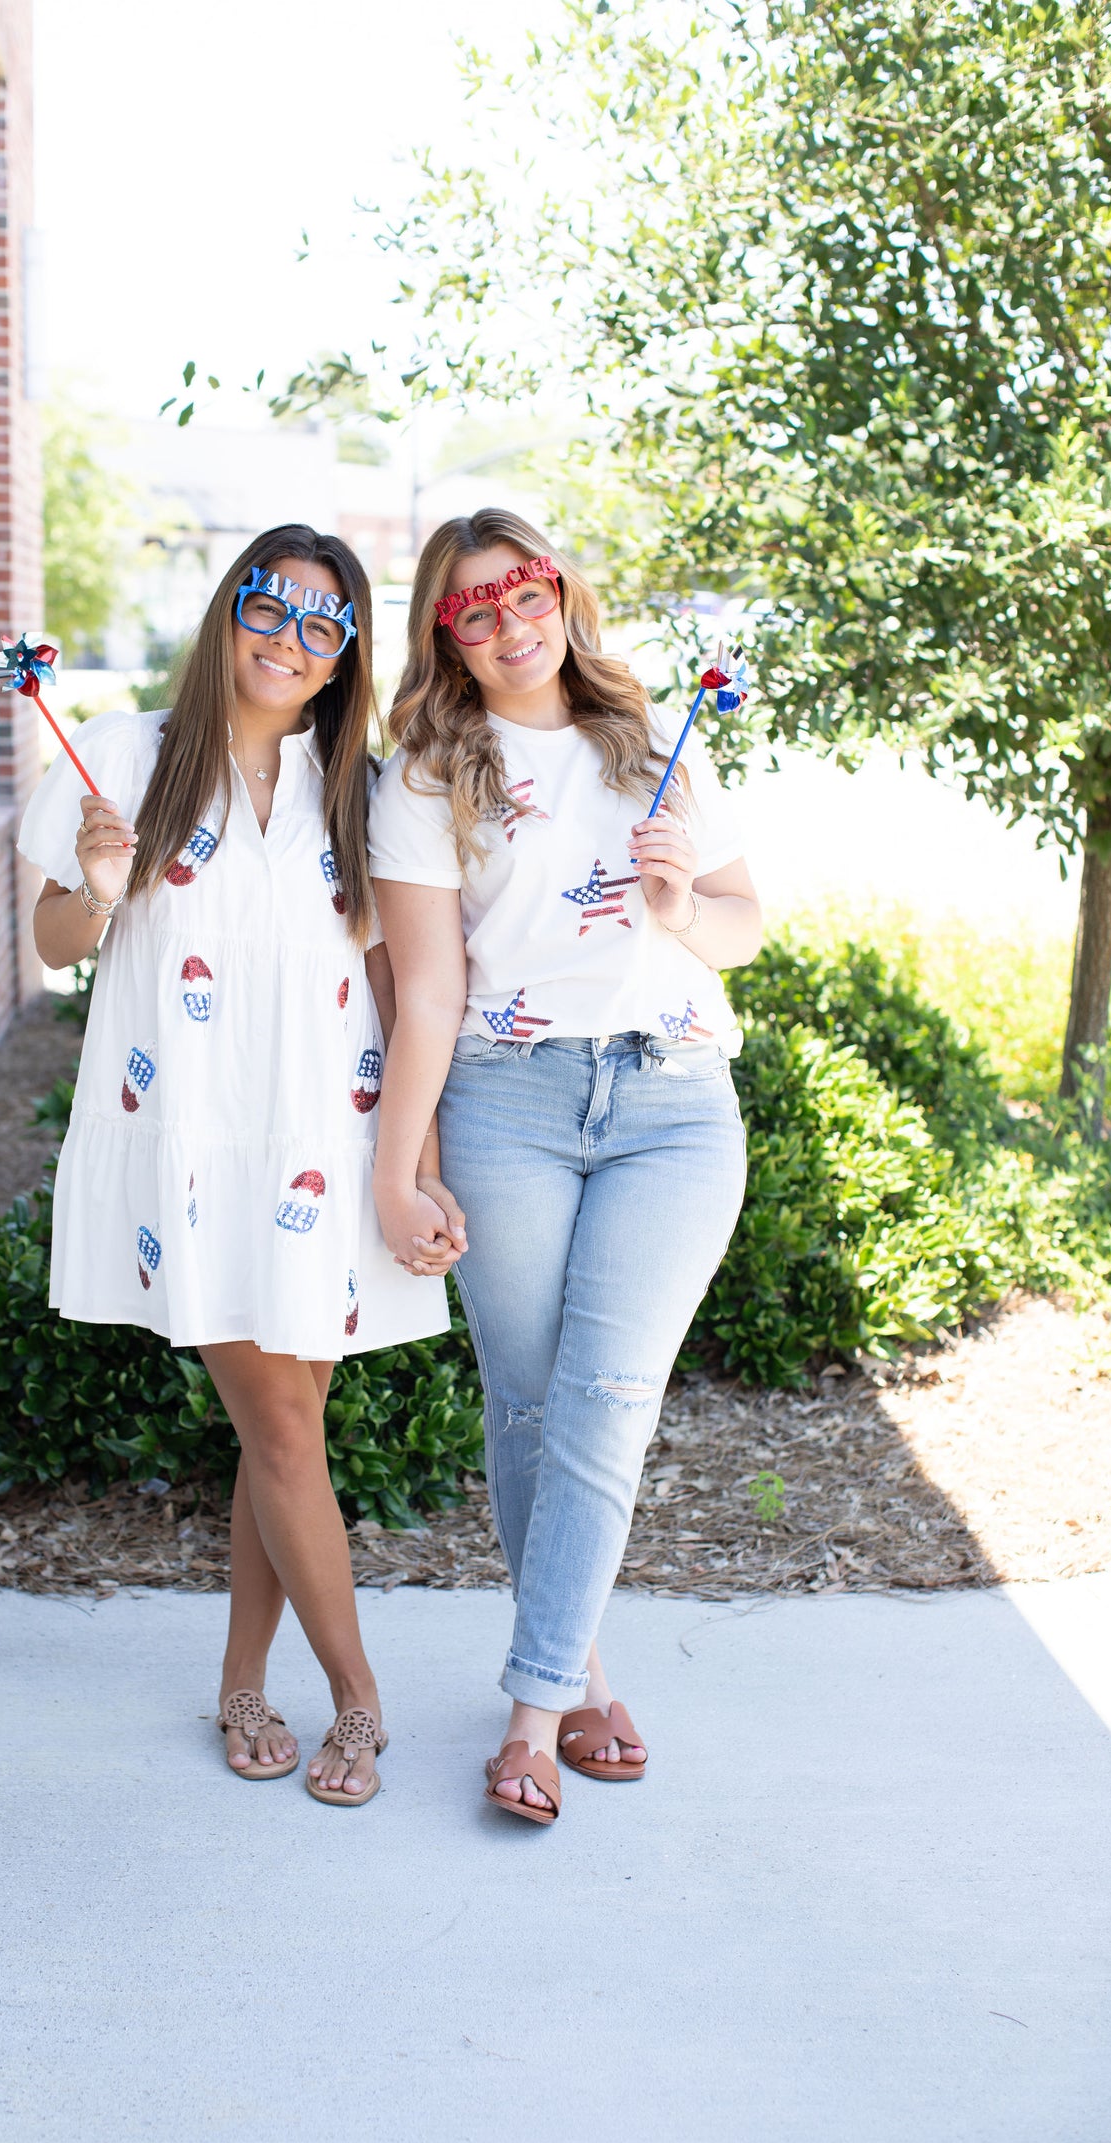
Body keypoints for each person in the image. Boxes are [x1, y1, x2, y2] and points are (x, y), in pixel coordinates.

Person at [17, 525, 455, 1807]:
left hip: (324, 1136)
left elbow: (388, 975)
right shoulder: (126, 752)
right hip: (194, 1140)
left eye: (327, 626)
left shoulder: (356, 784)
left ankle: (241, 1681)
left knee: (288, 1430)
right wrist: (100, 887)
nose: (292, 639)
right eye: (272, 607)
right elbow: (52, 943)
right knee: (275, 1421)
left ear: (343, 660)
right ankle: (361, 1703)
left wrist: (413, 1159)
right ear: (227, 613)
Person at [369, 508, 762, 1825]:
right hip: (508, 1103)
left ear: (560, 594)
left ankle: (531, 1718)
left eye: (521, 594)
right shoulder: (427, 776)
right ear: (446, 638)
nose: (506, 625)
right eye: (471, 612)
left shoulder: (656, 741)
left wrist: (676, 908)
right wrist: (399, 1166)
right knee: (532, 1406)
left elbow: (741, 925)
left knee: (605, 1395)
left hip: (671, 1100)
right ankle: (586, 1674)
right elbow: (424, 995)